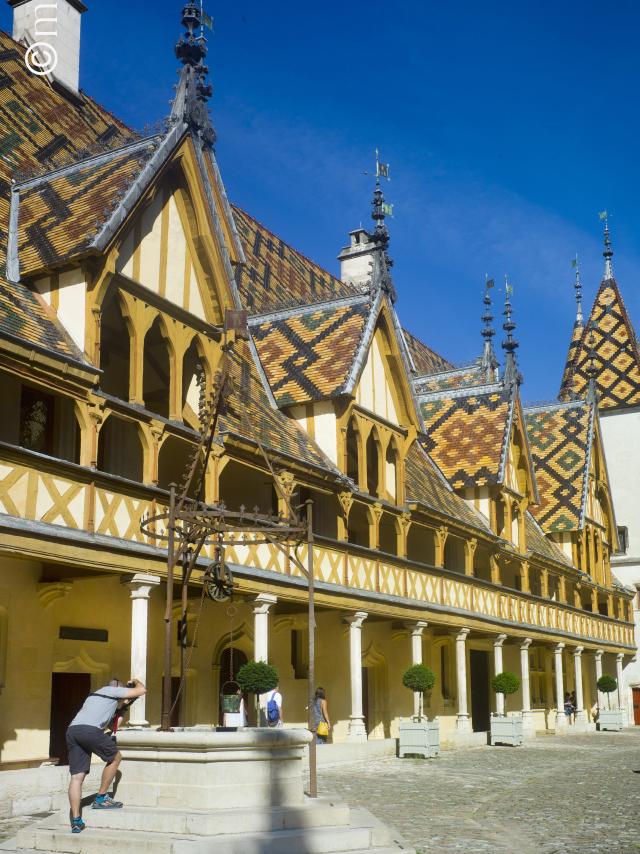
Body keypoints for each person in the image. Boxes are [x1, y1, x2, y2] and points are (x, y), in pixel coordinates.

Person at [65, 677, 146, 834]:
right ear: (117, 688)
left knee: (76, 777)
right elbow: (142, 690)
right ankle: (101, 798)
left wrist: (123, 708)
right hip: (89, 731)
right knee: (116, 757)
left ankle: (76, 821)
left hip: (73, 731)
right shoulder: (112, 690)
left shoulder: (95, 696)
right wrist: (135, 681)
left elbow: (110, 725)